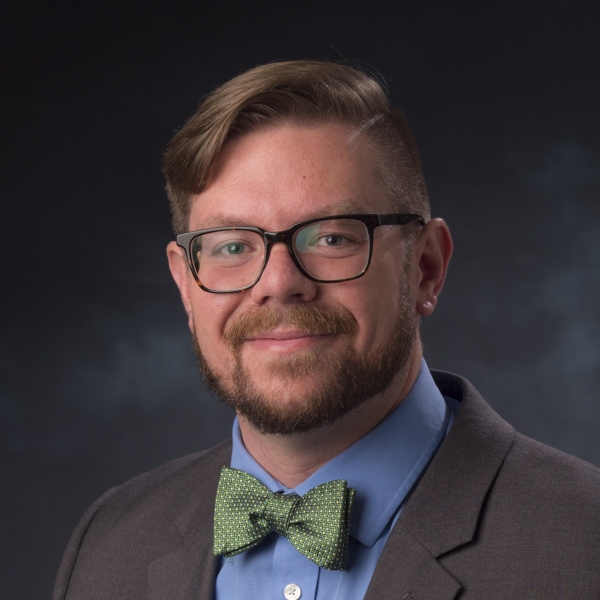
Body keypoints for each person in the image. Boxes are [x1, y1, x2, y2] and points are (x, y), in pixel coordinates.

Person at [53, 60, 600, 600]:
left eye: (332, 237)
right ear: (185, 285)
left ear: (426, 267)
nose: (278, 283)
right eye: (233, 247)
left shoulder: (583, 544)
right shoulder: (109, 544)